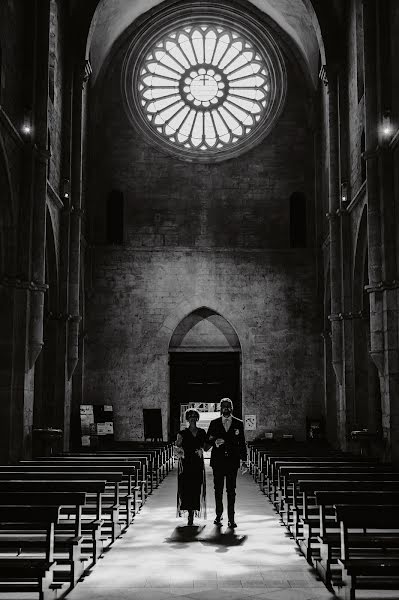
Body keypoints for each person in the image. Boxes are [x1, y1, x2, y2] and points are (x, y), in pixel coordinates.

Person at [205, 398, 247, 528]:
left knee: (231, 490)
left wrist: (244, 460)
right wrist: (214, 441)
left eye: (228, 406)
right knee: (218, 490)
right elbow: (207, 442)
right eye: (223, 406)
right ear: (220, 408)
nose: (226, 408)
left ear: (232, 408)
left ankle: (231, 518)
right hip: (218, 462)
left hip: (232, 462)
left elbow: (242, 444)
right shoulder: (214, 423)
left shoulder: (238, 424)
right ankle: (219, 515)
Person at [175, 408, 207, 526]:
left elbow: (206, 446)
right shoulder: (182, 433)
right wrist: (178, 444)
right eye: (190, 416)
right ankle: (189, 513)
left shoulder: (202, 432)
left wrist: (202, 450)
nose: (192, 418)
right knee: (187, 487)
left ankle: (193, 510)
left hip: (197, 462)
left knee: (196, 487)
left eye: (194, 416)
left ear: (197, 418)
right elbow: (177, 446)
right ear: (187, 419)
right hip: (186, 462)